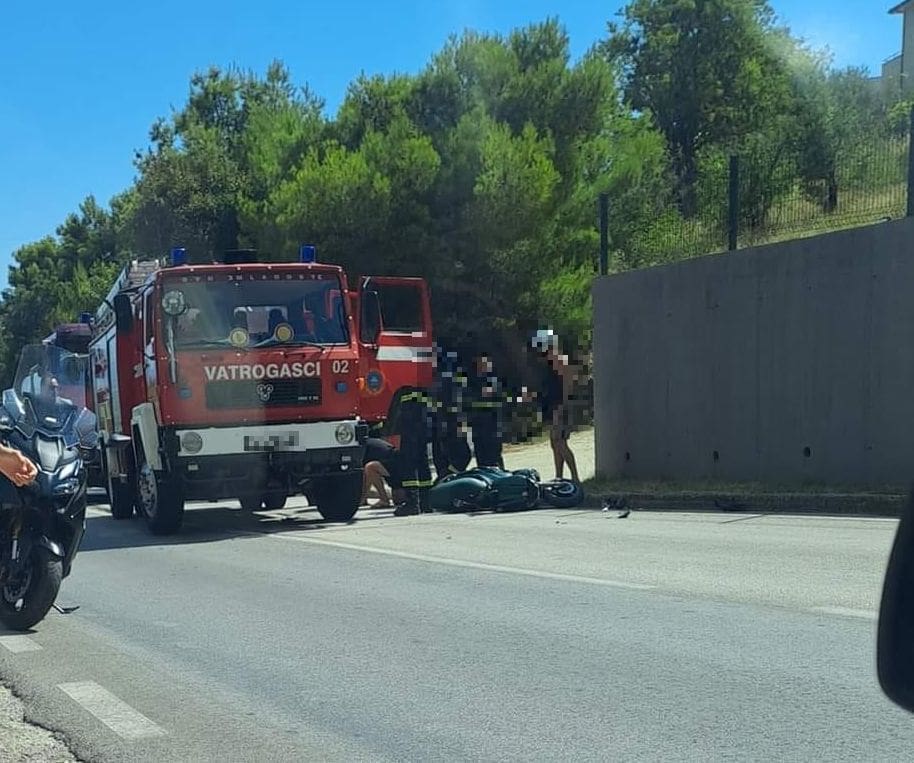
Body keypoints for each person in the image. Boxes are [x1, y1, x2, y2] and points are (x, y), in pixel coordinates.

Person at [531, 329, 584, 485]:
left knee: (560, 442)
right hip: (555, 406)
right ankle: (559, 476)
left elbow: (567, 385)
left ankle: (575, 477)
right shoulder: (549, 361)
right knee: (555, 443)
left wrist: (562, 406)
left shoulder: (558, 359)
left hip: (561, 407)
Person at [394, 386, 434, 516]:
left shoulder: (407, 387)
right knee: (422, 460)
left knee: (409, 461)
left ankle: (412, 502)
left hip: (410, 415)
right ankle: (426, 501)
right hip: (423, 415)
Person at [360, 436, 405, 508]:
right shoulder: (368, 445)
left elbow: (368, 473)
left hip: (395, 464)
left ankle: (384, 500)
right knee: (369, 468)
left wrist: (361, 497)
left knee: (370, 467)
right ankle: (380, 499)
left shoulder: (361, 447)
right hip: (392, 463)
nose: (394, 497)